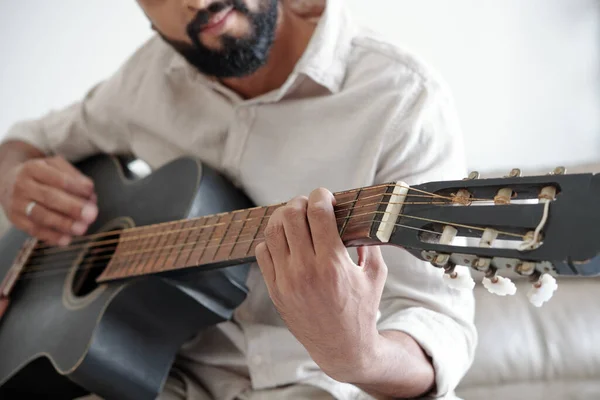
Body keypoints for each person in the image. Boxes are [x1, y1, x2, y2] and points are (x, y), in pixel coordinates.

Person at [0, 0, 477, 398]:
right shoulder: (148, 79)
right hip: (160, 379)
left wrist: (360, 355)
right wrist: (15, 177)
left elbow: (441, 328)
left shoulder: (402, 97)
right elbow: (25, 142)